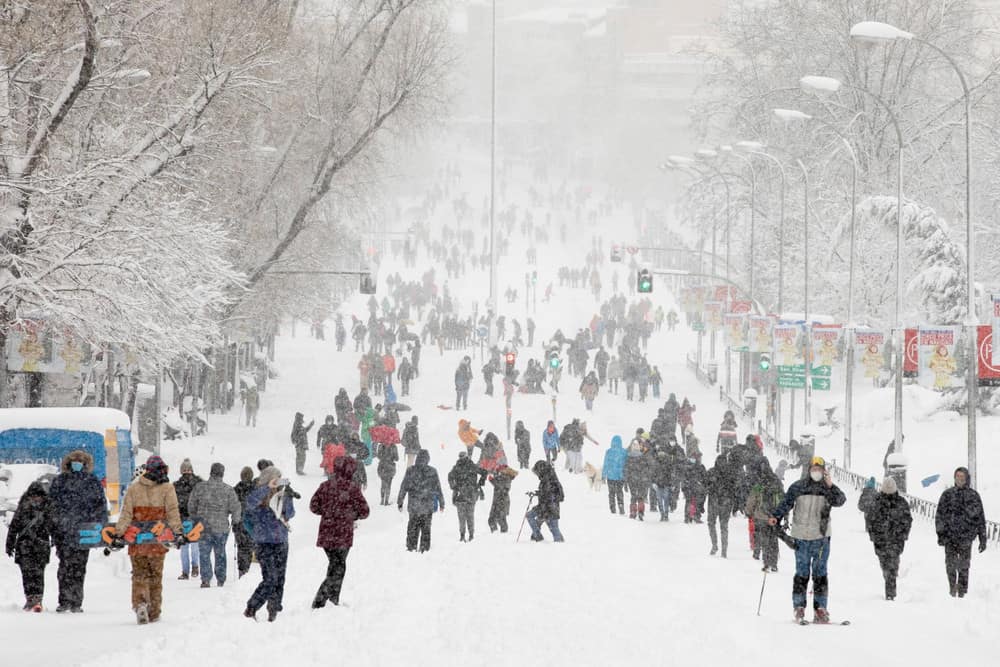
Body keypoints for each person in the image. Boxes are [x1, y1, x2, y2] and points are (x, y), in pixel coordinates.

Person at [768, 456, 846, 624]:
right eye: (814, 469)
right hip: (801, 537)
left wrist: (831, 485)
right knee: (802, 574)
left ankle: (820, 609)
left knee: (820, 575)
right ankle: (799, 607)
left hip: (821, 538)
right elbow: (786, 503)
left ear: (824, 471)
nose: (816, 472)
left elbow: (840, 500)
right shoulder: (798, 486)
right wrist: (776, 516)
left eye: (819, 469)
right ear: (809, 470)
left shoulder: (828, 489)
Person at [115, 455, 183, 624]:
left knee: (139, 574)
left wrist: (118, 533)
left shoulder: (134, 489)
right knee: (155, 576)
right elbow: (173, 512)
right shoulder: (167, 488)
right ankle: (154, 610)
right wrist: (178, 532)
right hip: (158, 540)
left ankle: (140, 603)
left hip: (137, 540)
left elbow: (126, 514)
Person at [48, 450, 107, 613]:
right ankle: (64, 600)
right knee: (65, 566)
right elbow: (51, 505)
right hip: (64, 532)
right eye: (75, 461)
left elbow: (100, 505)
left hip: (84, 532)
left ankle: (76, 601)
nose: (77, 464)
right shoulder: (60, 481)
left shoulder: (92, 482)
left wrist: (99, 525)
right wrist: (55, 525)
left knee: (80, 566)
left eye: (80, 461)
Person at [310, 456, 370, 608]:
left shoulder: (325, 486)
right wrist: (351, 515)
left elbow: (313, 506)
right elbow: (365, 511)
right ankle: (321, 600)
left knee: (335, 566)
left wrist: (327, 512)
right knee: (338, 568)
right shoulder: (352, 488)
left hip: (327, 534)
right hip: (343, 535)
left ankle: (331, 600)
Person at [243, 467, 295, 622]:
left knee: (279, 578)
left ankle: (274, 609)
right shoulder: (258, 494)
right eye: (275, 478)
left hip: (281, 541)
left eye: (280, 477)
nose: (278, 480)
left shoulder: (282, 494)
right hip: (263, 542)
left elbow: (290, 514)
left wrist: (288, 498)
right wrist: (267, 488)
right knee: (270, 578)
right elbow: (249, 504)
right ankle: (252, 607)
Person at [934, 467, 987, 598]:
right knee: (950, 564)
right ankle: (952, 587)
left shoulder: (973, 496)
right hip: (950, 536)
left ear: (967, 479)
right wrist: (941, 533)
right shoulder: (947, 495)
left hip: (966, 537)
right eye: (957, 477)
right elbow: (939, 515)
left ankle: (962, 590)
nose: (959, 479)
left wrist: (982, 538)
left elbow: (980, 517)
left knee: (964, 565)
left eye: (962, 477)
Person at [187, 462, 242, 588]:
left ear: (211, 472)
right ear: (222, 473)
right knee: (220, 552)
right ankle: (221, 578)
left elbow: (191, 505)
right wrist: (235, 520)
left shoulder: (200, 487)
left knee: (204, 553)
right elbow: (236, 507)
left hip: (203, 526)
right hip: (221, 527)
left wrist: (196, 516)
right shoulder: (228, 490)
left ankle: (206, 579)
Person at [5, 481, 54, 612]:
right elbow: (14, 528)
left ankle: (37, 599)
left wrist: (55, 538)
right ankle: (30, 598)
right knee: (27, 574)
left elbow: (53, 526)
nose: (36, 498)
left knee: (38, 574)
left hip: (39, 546)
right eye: (34, 496)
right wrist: (9, 544)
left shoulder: (47, 509)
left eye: (39, 496)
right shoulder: (23, 508)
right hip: (25, 546)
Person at [866, 477, 912, 600]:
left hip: (896, 541)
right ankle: (889, 584)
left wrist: (903, 535)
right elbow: (870, 520)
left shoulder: (901, 503)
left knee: (892, 565)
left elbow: (907, 520)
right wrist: (873, 535)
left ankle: (890, 591)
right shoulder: (877, 502)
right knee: (885, 564)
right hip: (881, 540)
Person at [397, 449, 445, 552]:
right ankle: (424, 549)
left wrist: (400, 501)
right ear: (428, 459)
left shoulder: (411, 470)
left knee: (412, 528)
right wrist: (441, 503)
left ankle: (411, 547)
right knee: (426, 529)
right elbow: (438, 488)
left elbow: (404, 487)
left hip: (414, 506)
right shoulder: (432, 471)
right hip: (427, 507)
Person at [745, 459, 784, 572]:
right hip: (775, 515)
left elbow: (752, 499)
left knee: (765, 538)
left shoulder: (760, 483)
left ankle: (766, 562)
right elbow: (783, 497)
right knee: (774, 538)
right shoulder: (777, 481)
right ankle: (774, 563)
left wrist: (749, 511)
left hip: (762, 516)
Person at [174, 459, 202, 580]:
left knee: (184, 545)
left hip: (183, 517)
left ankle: (185, 571)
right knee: (195, 544)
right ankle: (195, 567)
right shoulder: (199, 483)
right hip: (195, 518)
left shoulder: (176, 485)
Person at [705, 454, 738, 557]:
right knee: (723, 526)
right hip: (725, 502)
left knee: (712, 524)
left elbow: (705, 486)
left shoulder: (712, 472)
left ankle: (715, 545)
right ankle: (723, 549)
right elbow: (735, 489)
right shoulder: (730, 473)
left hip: (715, 502)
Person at [448, 452, 485, 542]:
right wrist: (480, 483)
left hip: (462, 494)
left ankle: (463, 535)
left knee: (462, 517)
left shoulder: (457, 467)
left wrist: (454, 487)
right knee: (469, 516)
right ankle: (470, 534)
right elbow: (484, 472)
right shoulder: (471, 466)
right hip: (470, 494)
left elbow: (450, 477)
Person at [526, 460, 565, 542]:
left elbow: (548, 494)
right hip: (547, 507)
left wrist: (541, 495)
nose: (537, 474)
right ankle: (537, 536)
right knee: (553, 528)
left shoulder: (548, 480)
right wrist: (536, 493)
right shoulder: (548, 477)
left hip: (549, 508)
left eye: (537, 472)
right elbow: (546, 493)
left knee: (553, 528)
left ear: (541, 470)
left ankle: (538, 536)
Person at [233, 466, 255, 579]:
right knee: (251, 547)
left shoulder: (236, 489)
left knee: (241, 548)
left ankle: (242, 571)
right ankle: (250, 570)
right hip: (252, 523)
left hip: (239, 523)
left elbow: (232, 506)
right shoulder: (256, 488)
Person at [624, 438, 652, 520]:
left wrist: (626, 481)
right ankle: (640, 511)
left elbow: (626, 470)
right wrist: (647, 479)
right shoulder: (642, 457)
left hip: (632, 480)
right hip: (641, 480)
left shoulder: (629, 458)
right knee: (641, 497)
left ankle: (633, 511)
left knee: (633, 496)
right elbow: (646, 469)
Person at [601, 435, 627, 515]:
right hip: (620, 476)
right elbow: (626, 464)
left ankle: (612, 508)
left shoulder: (608, 451)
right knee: (619, 492)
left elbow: (605, 464)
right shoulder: (624, 452)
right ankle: (621, 507)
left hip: (610, 475)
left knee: (611, 493)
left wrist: (603, 475)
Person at [488, 466, 516, 533]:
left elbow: (500, 487)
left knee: (500, 519)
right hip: (497, 501)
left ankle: (502, 534)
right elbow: (498, 484)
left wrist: (492, 480)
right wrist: (493, 479)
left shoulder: (507, 478)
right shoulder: (502, 477)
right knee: (492, 519)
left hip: (502, 501)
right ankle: (496, 533)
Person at [376, 441, 399, 506]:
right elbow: (397, 458)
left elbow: (378, 456)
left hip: (382, 467)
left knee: (383, 483)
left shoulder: (380, 445)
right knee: (389, 484)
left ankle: (382, 500)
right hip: (390, 467)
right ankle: (386, 500)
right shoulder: (394, 446)